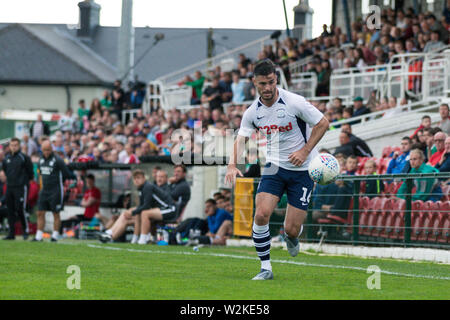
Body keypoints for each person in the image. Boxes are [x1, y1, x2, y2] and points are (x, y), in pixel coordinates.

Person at [225, 59, 329, 280]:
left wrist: (305, 150)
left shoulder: (295, 102)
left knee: (292, 229)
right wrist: (232, 165)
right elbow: (241, 138)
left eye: (271, 82)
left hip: (303, 170)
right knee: (261, 214)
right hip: (274, 167)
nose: (268, 88)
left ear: (276, 79)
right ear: (254, 82)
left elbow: (323, 123)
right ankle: (266, 268)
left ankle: (292, 236)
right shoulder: (252, 112)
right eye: (262, 83)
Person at [98, 169, 176, 244]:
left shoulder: (148, 186)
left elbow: (146, 206)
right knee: (129, 214)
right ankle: (110, 235)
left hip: (169, 209)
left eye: (138, 178)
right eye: (135, 178)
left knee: (144, 213)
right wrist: (131, 212)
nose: (136, 180)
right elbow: (141, 206)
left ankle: (142, 239)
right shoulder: (141, 188)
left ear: (144, 178)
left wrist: (132, 212)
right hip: (158, 210)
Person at [34, 140, 77, 242]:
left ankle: (55, 235)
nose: (46, 152)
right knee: (40, 212)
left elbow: (67, 174)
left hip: (56, 190)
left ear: (52, 149)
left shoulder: (58, 160)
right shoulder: (40, 160)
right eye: (44, 150)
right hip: (44, 190)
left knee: (55, 213)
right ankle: (38, 236)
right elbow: (39, 174)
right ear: (41, 149)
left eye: (48, 149)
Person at [1, 138, 34, 240]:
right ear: (9, 146)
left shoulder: (24, 158)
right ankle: (11, 234)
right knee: (10, 210)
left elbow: (30, 173)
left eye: (15, 145)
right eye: (12, 145)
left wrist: (23, 182)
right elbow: (5, 171)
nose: (13, 147)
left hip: (20, 187)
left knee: (20, 209)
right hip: (10, 187)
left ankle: (25, 231)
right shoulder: (7, 158)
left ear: (19, 145)